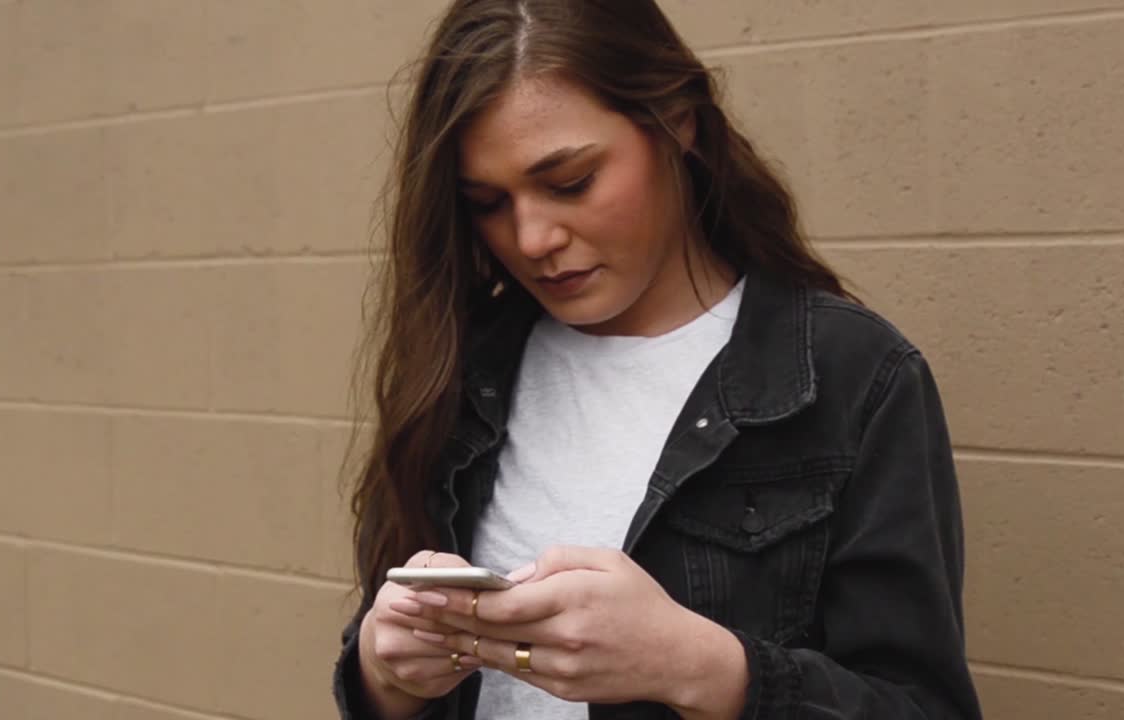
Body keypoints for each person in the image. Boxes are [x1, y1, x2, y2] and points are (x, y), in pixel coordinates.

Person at [333, 1, 983, 718]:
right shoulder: (461, 365)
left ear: (680, 124)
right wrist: (384, 673)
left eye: (569, 182)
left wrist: (700, 668)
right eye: (487, 202)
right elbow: (387, 680)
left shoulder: (851, 377)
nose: (531, 237)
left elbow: (924, 707)